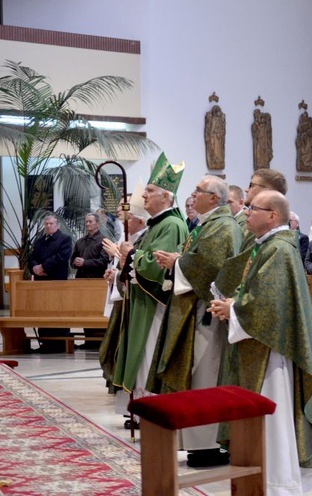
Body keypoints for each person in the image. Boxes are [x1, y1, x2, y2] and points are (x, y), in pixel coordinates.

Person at [209, 190, 312, 495]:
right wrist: (235, 303)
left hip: (272, 354)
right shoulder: (268, 246)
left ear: (273, 215)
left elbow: (268, 306)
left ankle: (278, 483)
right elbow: (261, 294)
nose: (246, 212)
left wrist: (234, 309)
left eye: (253, 208)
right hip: (262, 345)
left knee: (273, 418)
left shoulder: (278, 250)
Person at [146, 175, 243, 468]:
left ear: (214, 198)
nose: (193, 194)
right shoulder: (208, 224)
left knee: (206, 375)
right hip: (195, 310)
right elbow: (198, 260)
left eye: (198, 191)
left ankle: (211, 445)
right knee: (198, 376)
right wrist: (179, 260)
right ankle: (200, 443)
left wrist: (177, 262)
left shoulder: (223, 226)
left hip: (208, 314)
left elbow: (211, 267)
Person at [111, 153, 188, 414]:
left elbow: (159, 267)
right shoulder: (159, 224)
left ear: (166, 197)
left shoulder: (172, 225)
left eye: (150, 190)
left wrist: (131, 254)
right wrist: (128, 256)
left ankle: (153, 409)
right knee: (141, 354)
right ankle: (142, 408)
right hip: (143, 303)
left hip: (156, 306)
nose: (144, 195)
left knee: (149, 352)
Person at [100, 183, 150, 395]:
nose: (121, 212)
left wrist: (118, 258)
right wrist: (115, 273)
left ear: (139, 220)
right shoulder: (127, 234)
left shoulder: (145, 236)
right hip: (124, 292)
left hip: (136, 298)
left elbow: (140, 264)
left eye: (125, 210)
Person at [214, 168, 289, 299]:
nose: (247, 190)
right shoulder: (260, 229)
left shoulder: (276, 243)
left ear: (266, 191)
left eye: (252, 185)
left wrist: (233, 305)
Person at [28, 214, 73, 353]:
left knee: (58, 310)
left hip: (57, 281)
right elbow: (32, 257)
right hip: (42, 282)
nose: (48, 226)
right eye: (46, 224)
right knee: (43, 311)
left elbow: (61, 257)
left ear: (57, 225)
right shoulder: (39, 240)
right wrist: (35, 267)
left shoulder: (65, 239)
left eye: (51, 223)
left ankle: (59, 344)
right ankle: (45, 342)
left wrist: (43, 267)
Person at [71, 212, 110, 349]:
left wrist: (85, 263)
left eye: (91, 222)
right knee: (84, 310)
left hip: (96, 282)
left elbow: (104, 261)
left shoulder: (104, 241)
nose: (88, 224)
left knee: (96, 310)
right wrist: (75, 262)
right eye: (86, 222)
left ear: (98, 224)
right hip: (81, 281)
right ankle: (88, 340)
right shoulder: (80, 242)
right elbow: (72, 261)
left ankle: (99, 341)